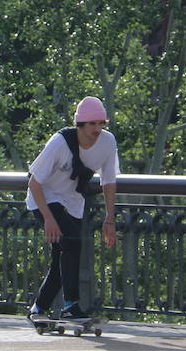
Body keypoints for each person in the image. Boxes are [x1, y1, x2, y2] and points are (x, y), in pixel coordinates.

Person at [26, 96, 119, 321]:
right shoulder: (59, 143)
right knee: (72, 242)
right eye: (92, 124)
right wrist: (47, 218)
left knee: (64, 255)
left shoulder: (108, 142)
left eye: (101, 123)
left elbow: (109, 181)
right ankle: (71, 306)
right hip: (45, 199)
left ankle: (38, 309)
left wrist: (109, 219)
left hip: (73, 202)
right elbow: (34, 183)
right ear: (80, 124)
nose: (97, 129)